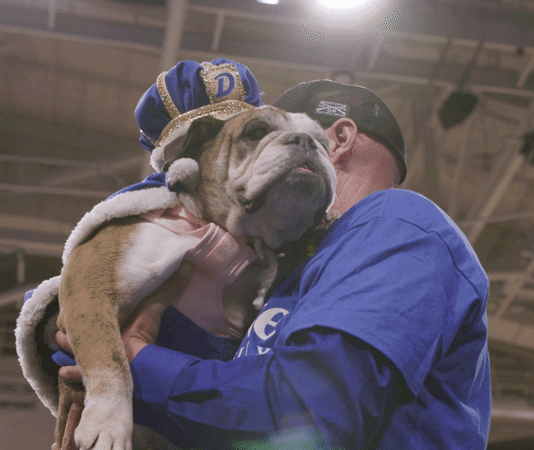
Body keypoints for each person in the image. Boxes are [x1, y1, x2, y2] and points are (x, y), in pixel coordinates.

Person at [53, 71, 491, 449]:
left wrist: (138, 362)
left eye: (262, 138)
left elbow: (310, 416)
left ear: (335, 141)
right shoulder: (284, 277)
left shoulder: (396, 223)